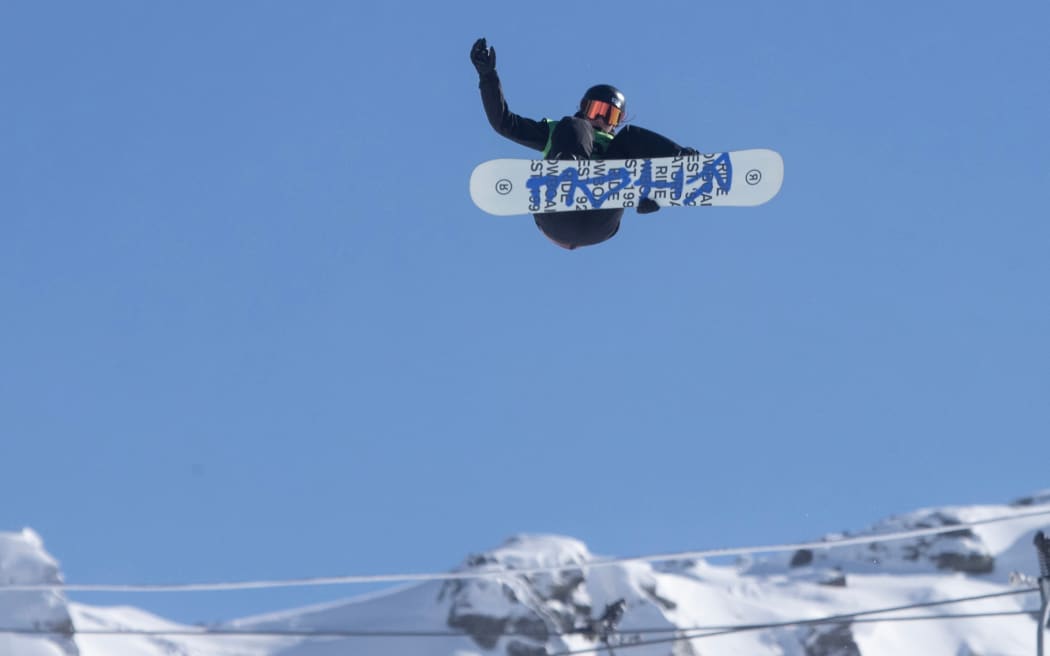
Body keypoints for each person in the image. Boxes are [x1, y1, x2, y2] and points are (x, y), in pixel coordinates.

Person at [470, 37, 697, 250]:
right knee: (575, 126)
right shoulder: (562, 131)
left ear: (616, 122)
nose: (600, 119)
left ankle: (681, 160)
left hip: (599, 221)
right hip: (557, 215)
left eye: (610, 115)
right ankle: (570, 176)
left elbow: (644, 192)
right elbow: (503, 123)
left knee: (630, 138)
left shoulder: (621, 146)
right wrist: (487, 75)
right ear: (584, 107)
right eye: (596, 110)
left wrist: (651, 198)